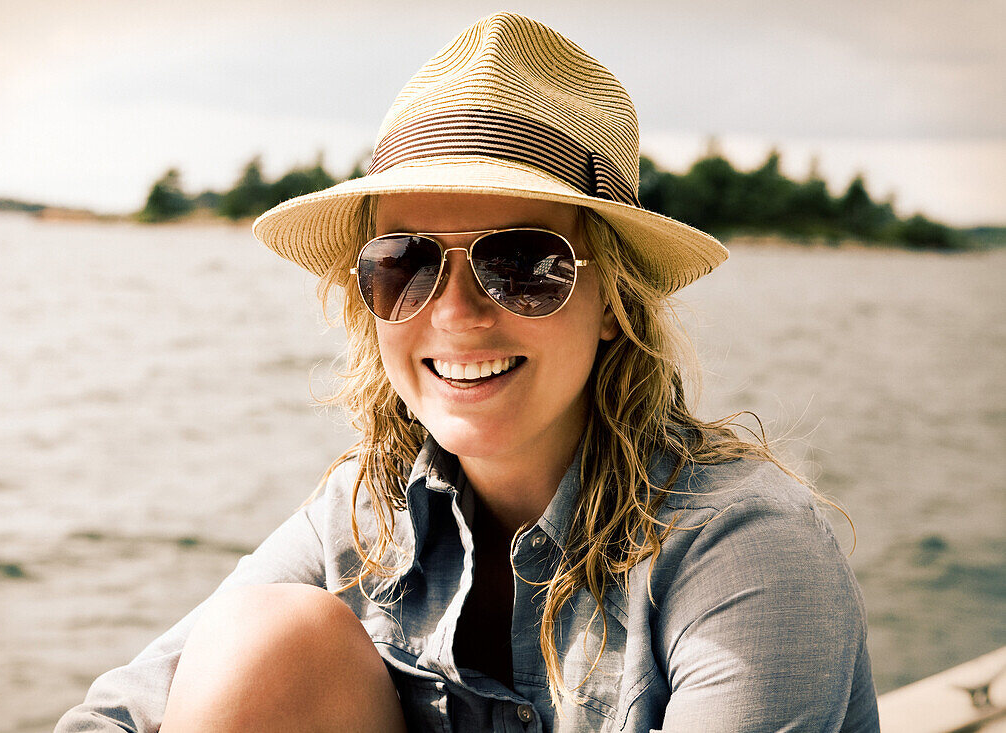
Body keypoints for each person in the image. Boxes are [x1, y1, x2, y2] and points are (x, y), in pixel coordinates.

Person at [57, 12, 879, 732]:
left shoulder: (748, 550)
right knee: (262, 641)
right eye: (404, 262)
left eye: (523, 261)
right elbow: (121, 711)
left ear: (613, 299)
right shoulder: (362, 514)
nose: (453, 312)